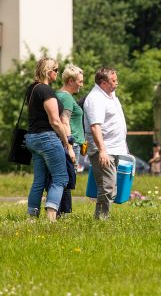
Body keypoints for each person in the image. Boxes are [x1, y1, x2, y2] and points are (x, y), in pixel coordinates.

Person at [25, 57, 74, 221]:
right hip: (47, 138)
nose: (58, 73)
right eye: (56, 70)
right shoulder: (46, 91)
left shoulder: (32, 89)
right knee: (61, 177)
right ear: (49, 71)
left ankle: (31, 218)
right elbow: (55, 121)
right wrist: (66, 142)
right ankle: (51, 217)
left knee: (38, 179)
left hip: (32, 138)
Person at [84, 67, 128, 219]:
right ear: (103, 83)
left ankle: (103, 216)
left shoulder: (110, 94)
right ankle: (101, 219)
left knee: (111, 186)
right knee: (107, 186)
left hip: (114, 147)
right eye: (113, 81)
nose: (117, 83)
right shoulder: (96, 99)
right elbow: (95, 127)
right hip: (104, 149)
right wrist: (102, 150)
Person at [55, 64, 85, 214]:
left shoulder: (58, 95)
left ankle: (60, 212)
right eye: (80, 81)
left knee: (62, 177)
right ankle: (64, 213)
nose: (82, 84)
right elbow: (64, 120)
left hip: (67, 143)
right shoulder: (66, 97)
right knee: (67, 178)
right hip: (70, 144)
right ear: (70, 81)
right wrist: (70, 147)